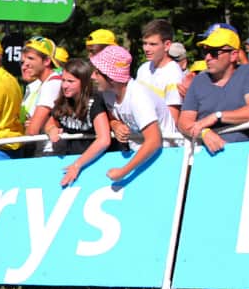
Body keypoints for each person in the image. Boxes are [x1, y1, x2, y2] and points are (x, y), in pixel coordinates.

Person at [178, 25, 249, 154]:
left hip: (245, 153)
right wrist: (204, 132)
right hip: (205, 155)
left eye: (214, 53)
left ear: (233, 55)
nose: (207, 57)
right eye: (205, 52)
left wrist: (217, 116)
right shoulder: (199, 81)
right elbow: (184, 122)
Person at [90, 46, 169, 183]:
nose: (92, 76)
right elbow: (112, 115)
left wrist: (123, 171)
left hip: (167, 154)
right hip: (142, 154)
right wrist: (115, 124)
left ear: (111, 78)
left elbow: (154, 141)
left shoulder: (138, 97)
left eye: (97, 73)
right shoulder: (108, 93)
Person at [42, 58, 113, 186]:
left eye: (70, 81)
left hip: (94, 164)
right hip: (69, 162)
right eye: (63, 80)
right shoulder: (63, 101)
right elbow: (50, 122)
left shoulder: (95, 102)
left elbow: (104, 140)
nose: (65, 85)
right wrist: (51, 129)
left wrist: (77, 165)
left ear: (84, 83)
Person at [20, 36, 63, 156]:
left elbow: (33, 130)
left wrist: (31, 125)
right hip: (46, 149)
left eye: (31, 59)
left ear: (47, 61)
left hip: (49, 151)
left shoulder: (51, 84)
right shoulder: (46, 83)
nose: (24, 66)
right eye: (23, 62)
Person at [136, 19, 183, 125]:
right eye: (145, 43)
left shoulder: (174, 75)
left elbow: (172, 120)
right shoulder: (143, 68)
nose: (146, 48)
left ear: (167, 45)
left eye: (153, 44)